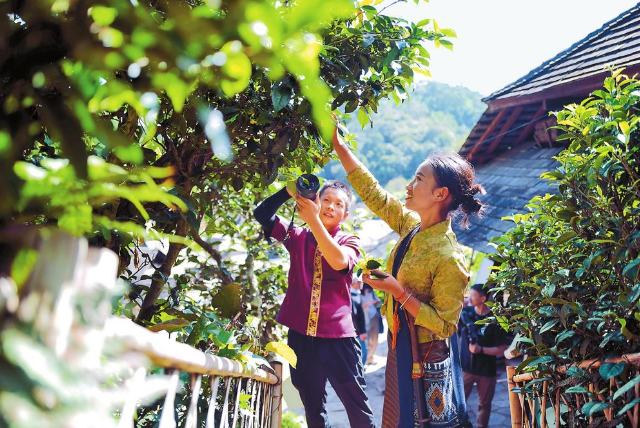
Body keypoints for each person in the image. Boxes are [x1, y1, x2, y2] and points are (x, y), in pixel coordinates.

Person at [333, 123, 484, 427]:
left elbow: (444, 325)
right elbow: (375, 194)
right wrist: (337, 145)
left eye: (418, 179)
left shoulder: (448, 255)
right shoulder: (412, 225)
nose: (409, 186)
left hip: (426, 358)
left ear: (441, 193)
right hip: (400, 346)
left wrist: (398, 292)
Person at [253, 180, 375, 428]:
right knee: (313, 408)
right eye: (326, 200)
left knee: (357, 407)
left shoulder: (349, 241)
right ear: (316, 202)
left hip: (339, 338)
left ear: (345, 214)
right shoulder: (296, 236)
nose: (331, 207)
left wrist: (313, 221)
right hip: (300, 337)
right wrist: (288, 192)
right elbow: (262, 214)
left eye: (338, 204)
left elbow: (339, 262)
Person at [459, 284, 509, 428]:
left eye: (473, 295)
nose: (470, 298)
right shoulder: (465, 314)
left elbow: (501, 349)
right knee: (459, 402)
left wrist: (480, 350)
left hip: (487, 371)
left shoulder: (495, 320)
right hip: (466, 368)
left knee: (484, 405)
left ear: (483, 298)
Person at [361, 283, 382, 365]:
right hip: (365, 318)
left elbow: (378, 301)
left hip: (374, 317)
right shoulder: (359, 294)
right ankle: (365, 358)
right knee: (366, 339)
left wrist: (375, 302)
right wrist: (367, 304)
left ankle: (370, 358)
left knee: (374, 338)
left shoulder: (372, 293)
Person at [351, 278, 368, 365]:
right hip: (357, 332)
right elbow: (354, 316)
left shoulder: (357, 295)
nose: (361, 283)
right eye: (359, 281)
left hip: (358, 331)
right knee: (362, 353)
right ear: (353, 283)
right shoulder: (352, 296)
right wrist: (360, 332)